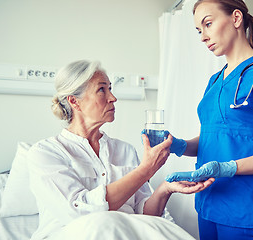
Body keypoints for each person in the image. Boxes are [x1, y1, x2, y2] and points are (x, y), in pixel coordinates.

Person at [27, 60, 214, 240]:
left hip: (126, 233)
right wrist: (146, 169)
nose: (113, 98)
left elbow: (146, 214)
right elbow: (79, 212)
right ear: (74, 102)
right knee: (103, 223)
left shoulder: (124, 150)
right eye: (102, 89)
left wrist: (165, 189)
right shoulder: (46, 153)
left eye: (110, 88)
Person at [163, 0, 253, 239]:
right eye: (198, 30)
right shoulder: (214, 81)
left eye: (208, 24)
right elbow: (215, 137)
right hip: (208, 203)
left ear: (236, 19)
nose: (203, 36)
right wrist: (180, 145)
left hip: (246, 209)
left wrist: (228, 168)